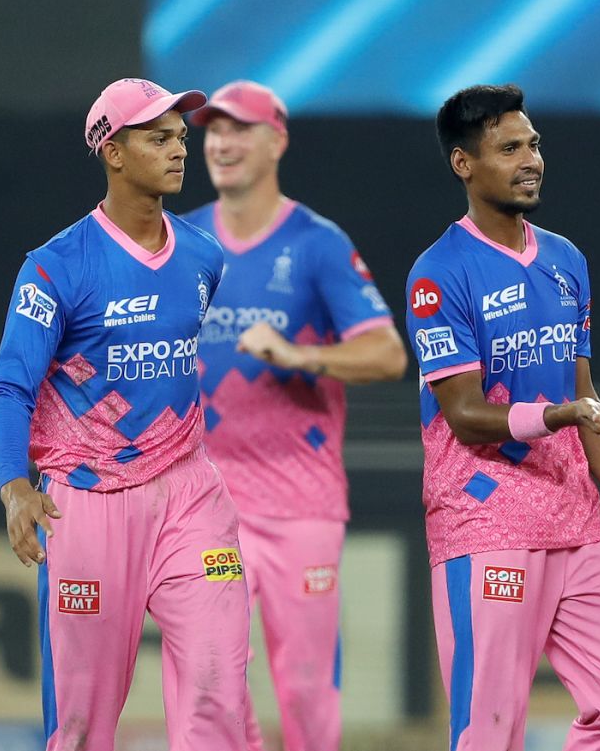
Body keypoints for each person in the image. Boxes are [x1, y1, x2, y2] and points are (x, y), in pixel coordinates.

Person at [405, 83, 600, 751]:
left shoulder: (566, 262)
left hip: (577, 521)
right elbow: (464, 414)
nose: (531, 158)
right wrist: (560, 412)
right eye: (509, 148)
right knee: (490, 730)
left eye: (533, 144)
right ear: (464, 164)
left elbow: (586, 400)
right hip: (485, 522)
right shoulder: (438, 273)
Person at [0, 78, 248, 751]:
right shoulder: (55, 268)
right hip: (89, 503)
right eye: (158, 138)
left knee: (219, 689)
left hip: (192, 495)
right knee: (81, 724)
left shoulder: (203, 256)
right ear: (114, 152)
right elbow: (9, 389)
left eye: (181, 137)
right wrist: (16, 487)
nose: (179, 149)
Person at [181, 79, 407, 751]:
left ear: (276, 140)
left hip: (300, 503)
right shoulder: (181, 241)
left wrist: (299, 353)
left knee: (305, 687)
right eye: (212, 130)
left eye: (238, 128)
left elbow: (389, 354)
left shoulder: (317, 243)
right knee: (208, 676)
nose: (220, 142)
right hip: (204, 505)